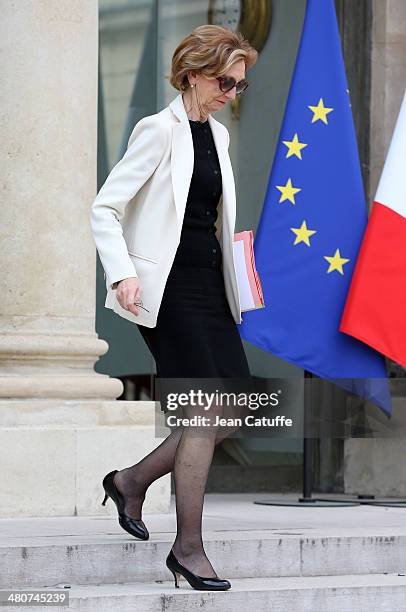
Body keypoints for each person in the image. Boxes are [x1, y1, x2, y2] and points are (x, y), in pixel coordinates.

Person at [90, 24, 257, 591]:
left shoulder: (219, 136)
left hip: (210, 286)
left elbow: (210, 217)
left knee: (232, 410)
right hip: (170, 292)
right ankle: (188, 548)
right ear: (194, 74)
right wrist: (123, 274)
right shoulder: (156, 131)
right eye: (225, 82)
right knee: (203, 415)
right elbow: (105, 209)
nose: (232, 93)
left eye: (239, 85)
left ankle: (131, 480)